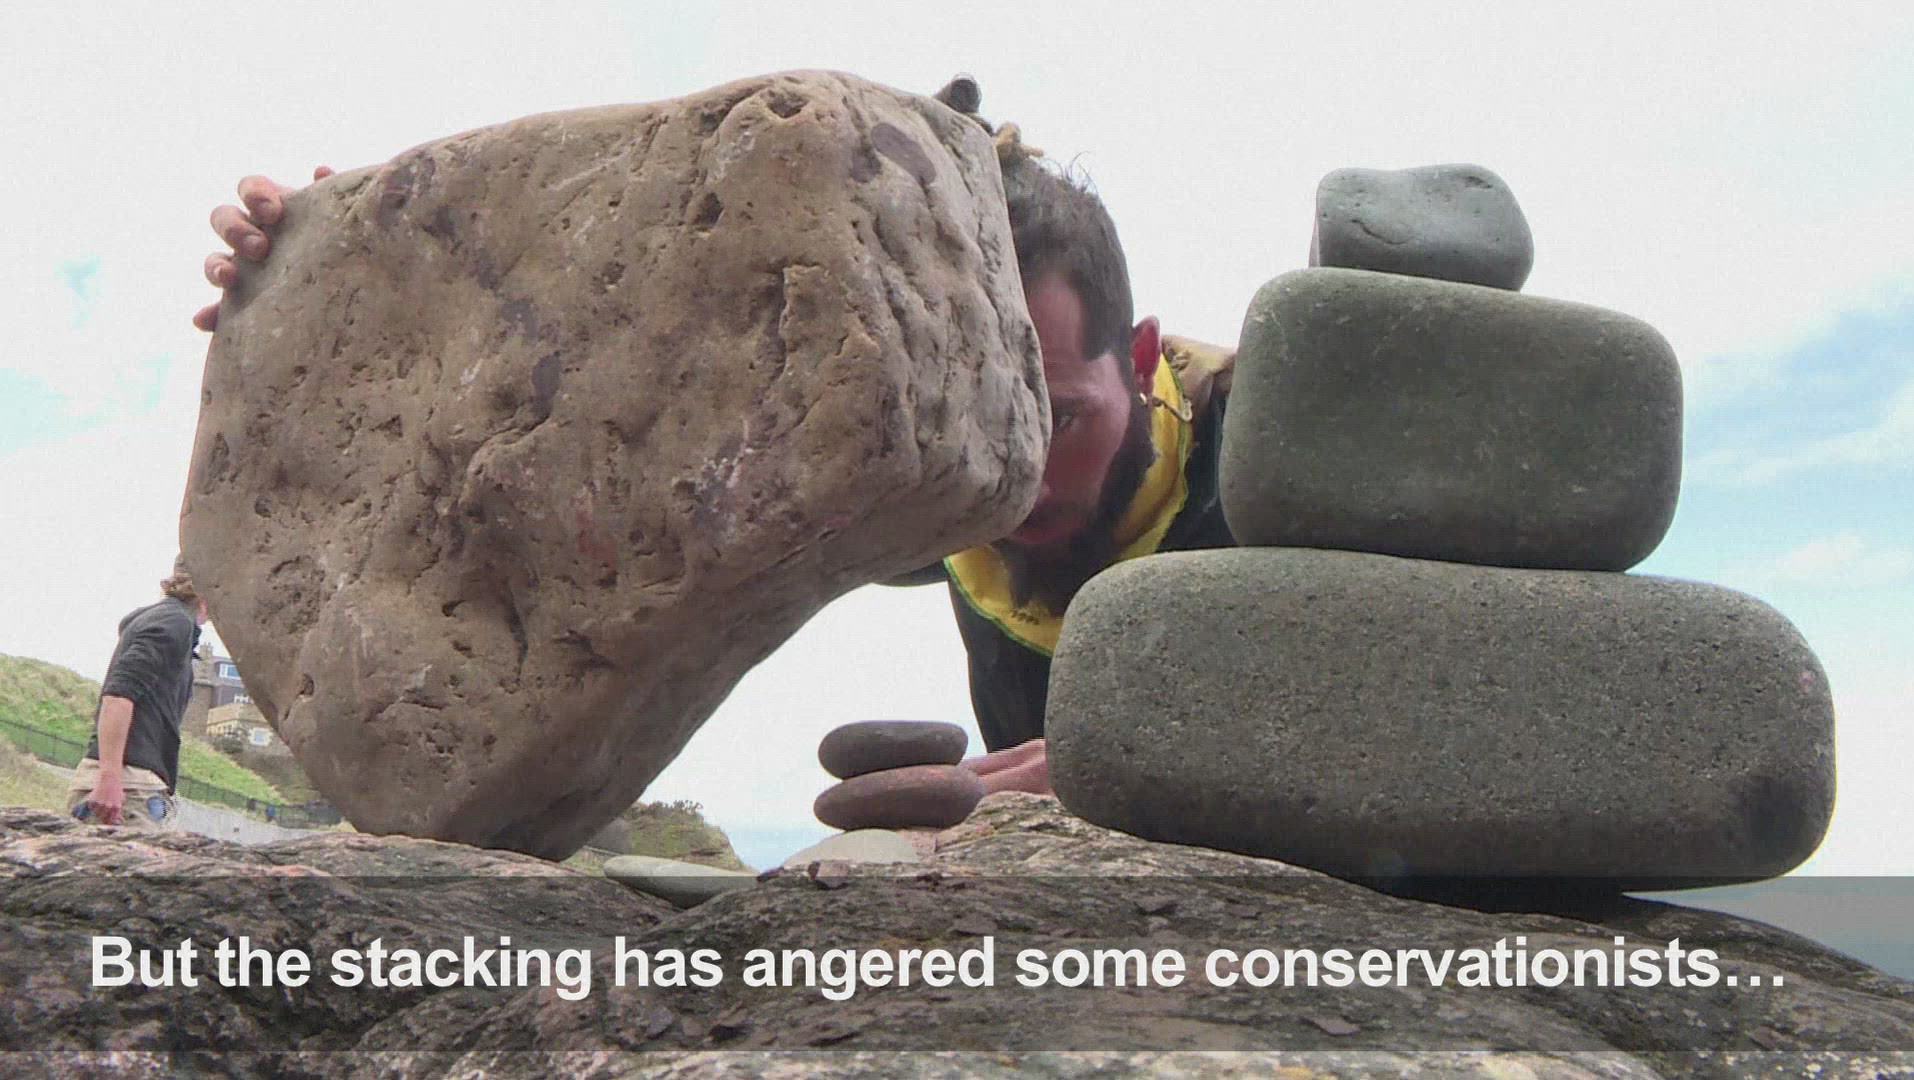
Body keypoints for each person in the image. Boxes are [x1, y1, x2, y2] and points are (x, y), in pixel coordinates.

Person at [189, 82, 1236, 800]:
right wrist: (352, 279)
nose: (1021, 468)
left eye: (1060, 416)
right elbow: (606, 384)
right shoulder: (944, 481)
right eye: (987, 413)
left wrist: (1142, 765)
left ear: (1142, 355)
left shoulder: (1265, 456)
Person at [68, 555, 209, 829]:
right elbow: (118, 695)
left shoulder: (167, 620)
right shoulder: (174, 622)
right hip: (128, 787)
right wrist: (110, 778)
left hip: (126, 782)